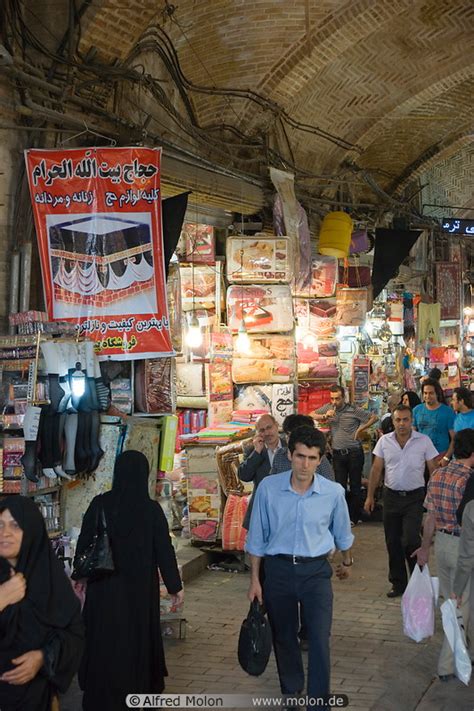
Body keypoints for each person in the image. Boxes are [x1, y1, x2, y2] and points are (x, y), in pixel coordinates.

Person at [246, 427, 353, 705]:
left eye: (312, 458)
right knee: (284, 636)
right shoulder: (269, 489)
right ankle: (292, 689)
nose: (305, 464)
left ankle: (318, 700)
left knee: (318, 638)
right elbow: (257, 538)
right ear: (290, 455)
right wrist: (255, 580)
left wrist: (347, 561)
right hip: (278, 572)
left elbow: (342, 534)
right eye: (300, 456)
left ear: (320, 460)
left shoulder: (333, 493)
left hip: (316, 573)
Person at [77, 450, 183, 711]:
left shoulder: (100, 504)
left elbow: (84, 546)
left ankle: (102, 695)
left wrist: (79, 578)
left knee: (103, 639)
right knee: (137, 640)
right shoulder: (151, 510)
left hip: (104, 589)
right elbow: (164, 550)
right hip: (138, 592)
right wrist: (174, 587)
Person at [0, 496, 83, 711]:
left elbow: (74, 635)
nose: (5, 533)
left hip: (34, 699)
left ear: (32, 531)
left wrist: (43, 658)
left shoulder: (50, 581)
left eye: (15, 525)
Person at [412, 429, 474, 681]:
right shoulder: (469, 480)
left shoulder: (438, 474)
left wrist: (425, 548)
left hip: (444, 545)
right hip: (464, 548)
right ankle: (447, 665)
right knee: (461, 607)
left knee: (453, 603)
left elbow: (430, 517)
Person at [364, 404, 439, 597]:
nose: (402, 424)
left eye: (405, 419)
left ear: (411, 420)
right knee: (393, 541)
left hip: (415, 498)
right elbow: (376, 470)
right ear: (393, 421)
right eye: (398, 420)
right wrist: (370, 496)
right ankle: (398, 584)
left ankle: (418, 581)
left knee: (411, 540)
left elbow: (434, 470)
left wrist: (434, 498)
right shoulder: (384, 442)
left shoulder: (423, 441)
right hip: (391, 497)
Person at [312, 385, 377, 524]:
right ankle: (342, 516)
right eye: (332, 398)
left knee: (355, 485)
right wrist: (324, 416)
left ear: (344, 397)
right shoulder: (329, 408)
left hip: (354, 452)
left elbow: (373, 417)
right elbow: (311, 414)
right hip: (338, 453)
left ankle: (354, 517)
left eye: (337, 398)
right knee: (339, 486)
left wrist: (360, 429)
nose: (335, 401)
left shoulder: (353, 410)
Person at [239, 414, 286, 529]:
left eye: (269, 428)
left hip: (286, 507)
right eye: (262, 430)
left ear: (276, 426)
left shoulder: (289, 446)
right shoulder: (253, 450)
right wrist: (257, 452)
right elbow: (244, 476)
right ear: (258, 433)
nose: (267, 433)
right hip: (262, 508)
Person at [412, 378, 455, 465]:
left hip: (440, 457)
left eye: (431, 393)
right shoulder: (416, 410)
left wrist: (446, 458)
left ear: (437, 394)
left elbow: (455, 438)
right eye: (425, 393)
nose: (427, 396)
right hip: (421, 457)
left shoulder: (448, 412)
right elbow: (412, 434)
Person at [282, 414, 335, 482]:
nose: (289, 439)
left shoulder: (318, 458)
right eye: (287, 435)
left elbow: (330, 484)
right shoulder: (280, 455)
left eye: (293, 436)